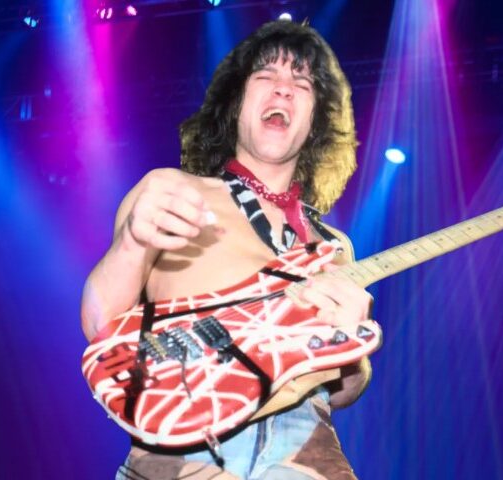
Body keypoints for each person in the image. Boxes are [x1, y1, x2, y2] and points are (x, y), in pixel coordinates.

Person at [81, 20, 373, 480]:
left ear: (316, 120)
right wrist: (132, 244)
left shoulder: (335, 246)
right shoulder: (172, 193)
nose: (283, 91)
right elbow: (100, 325)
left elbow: (340, 391)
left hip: (306, 452)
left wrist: (349, 349)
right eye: (265, 77)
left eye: (302, 84)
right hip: (182, 445)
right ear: (236, 103)